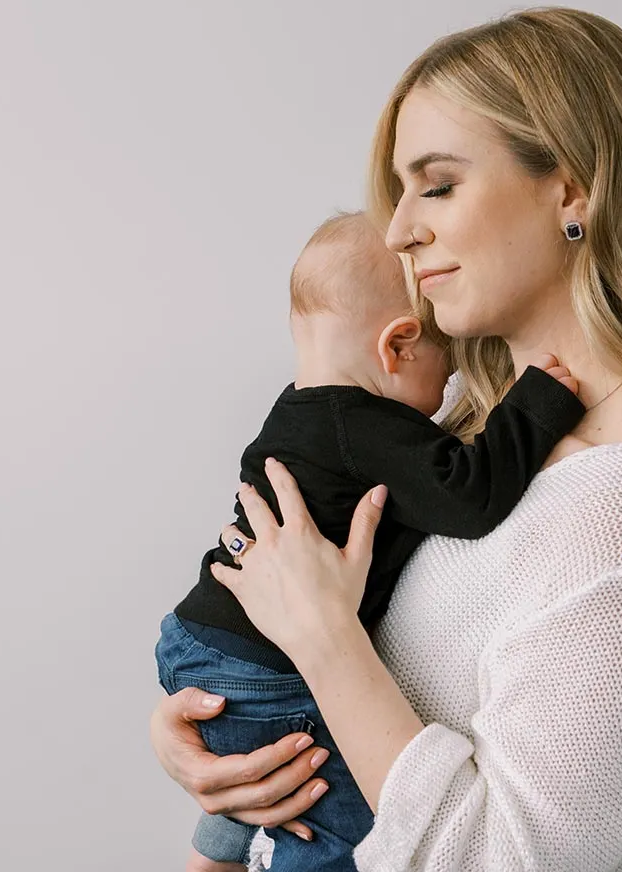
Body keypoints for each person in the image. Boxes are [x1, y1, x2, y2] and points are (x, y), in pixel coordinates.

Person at [150, 6, 622, 871]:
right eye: (400, 193)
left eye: (437, 185)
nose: (400, 231)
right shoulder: (468, 440)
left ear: (571, 190)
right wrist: (223, 724)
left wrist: (323, 640)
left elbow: (499, 860)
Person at [156, 211, 587, 871]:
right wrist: (538, 404)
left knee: (277, 785)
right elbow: (467, 494)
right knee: (346, 832)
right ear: (398, 346)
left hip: (211, 647)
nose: (445, 399)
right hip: (261, 665)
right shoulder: (364, 424)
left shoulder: (299, 411)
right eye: (444, 377)